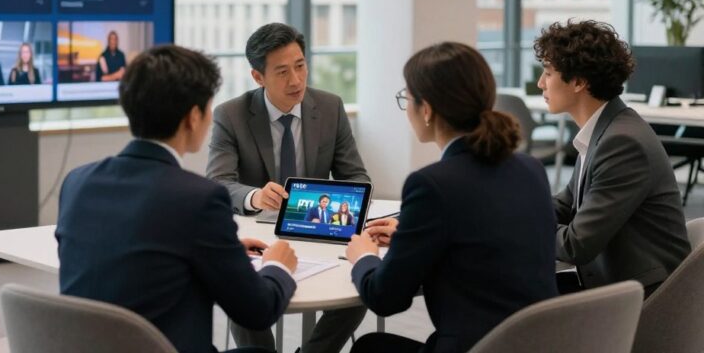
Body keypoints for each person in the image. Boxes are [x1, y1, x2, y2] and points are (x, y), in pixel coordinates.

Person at [57, 45, 299, 353]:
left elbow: (134, 249)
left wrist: (221, 249)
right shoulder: (199, 199)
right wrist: (277, 267)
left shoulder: (77, 182)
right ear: (193, 117)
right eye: (208, 108)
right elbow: (258, 311)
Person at [346, 42, 558, 353]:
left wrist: (362, 256)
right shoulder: (531, 168)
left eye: (408, 98)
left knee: (369, 347)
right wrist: (411, 236)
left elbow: (385, 298)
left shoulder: (432, 184)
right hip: (537, 343)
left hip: (476, 347)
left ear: (427, 109)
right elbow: (482, 238)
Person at [206, 22, 368, 353]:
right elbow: (217, 183)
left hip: (317, 227)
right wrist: (254, 196)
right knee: (241, 287)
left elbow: (357, 179)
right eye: (281, 72)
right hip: (259, 236)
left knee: (362, 281)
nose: (295, 80)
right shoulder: (231, 115)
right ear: (258, 77)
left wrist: (336, 207)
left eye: (300, 66)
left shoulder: (330, 107)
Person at [535, 20, 690, 297]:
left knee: (508, 304)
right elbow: (565, 204)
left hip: (646, 299)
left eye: (548, 73)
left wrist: (521, 229)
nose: (540, 83)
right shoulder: (605, 129)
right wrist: (518, 215)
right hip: (616, 283)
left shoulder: (622, 142)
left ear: (579, 82)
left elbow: (575, 245)